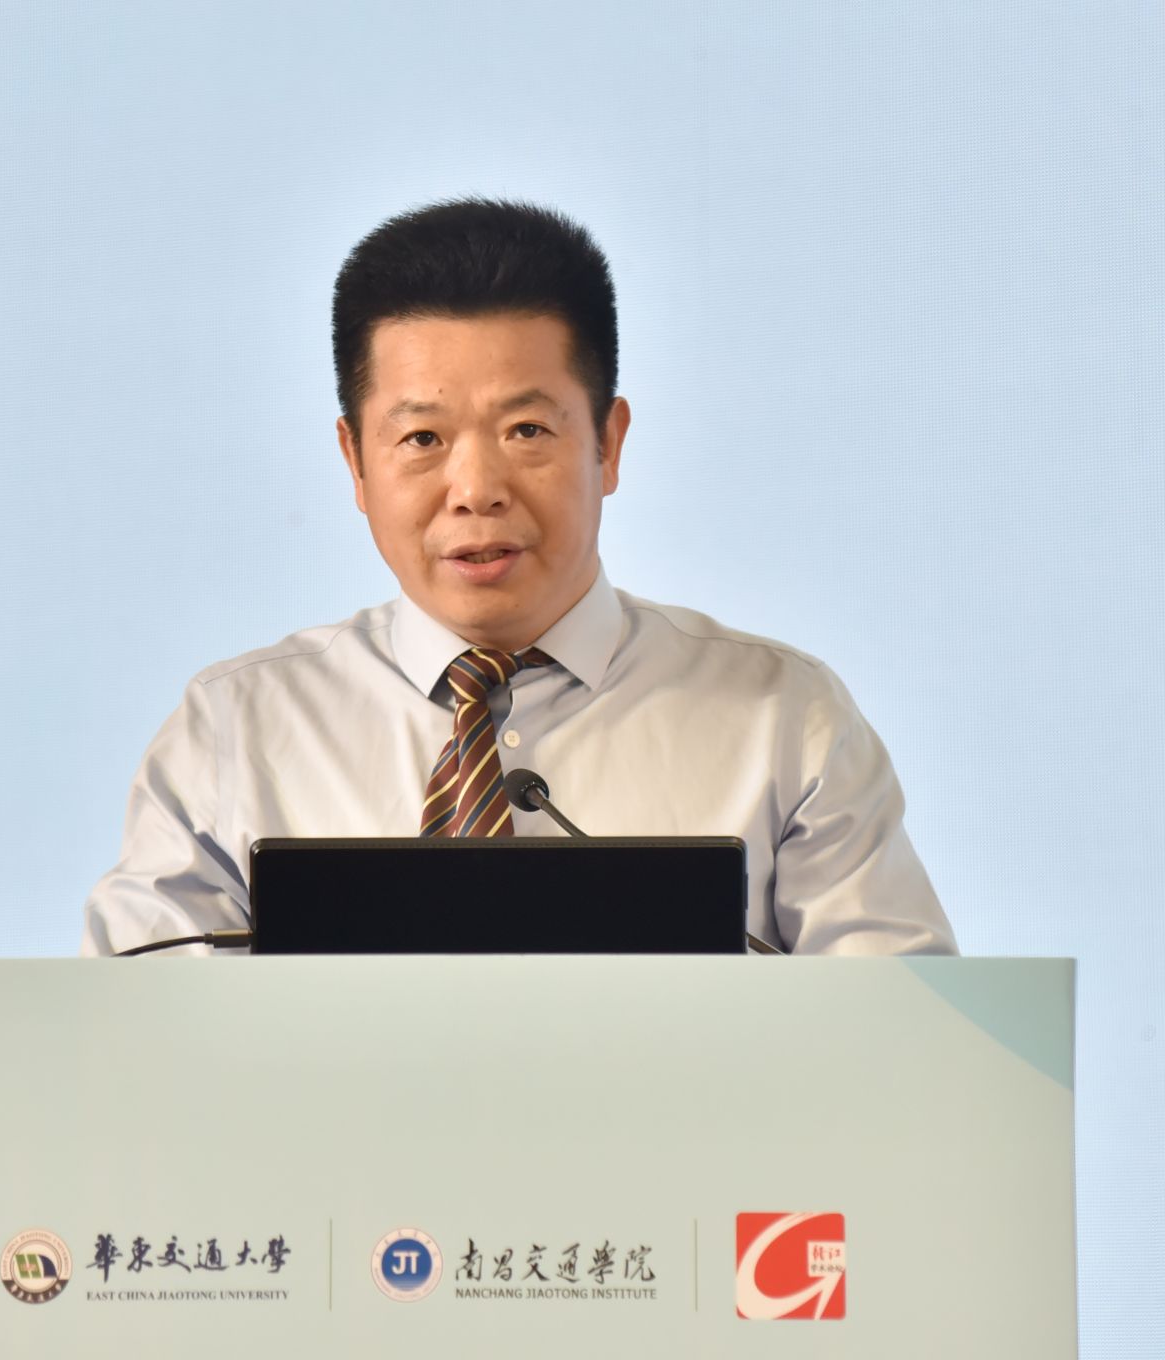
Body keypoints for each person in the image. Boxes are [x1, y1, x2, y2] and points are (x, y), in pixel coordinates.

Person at [81, 199, 954, 956]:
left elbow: (904, 1042)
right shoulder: (234, 733)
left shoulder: (783, 723)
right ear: (355, 462)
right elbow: (132, 1038)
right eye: (422, 439)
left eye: (526, 431)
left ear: (608, 443)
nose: (476, 490)